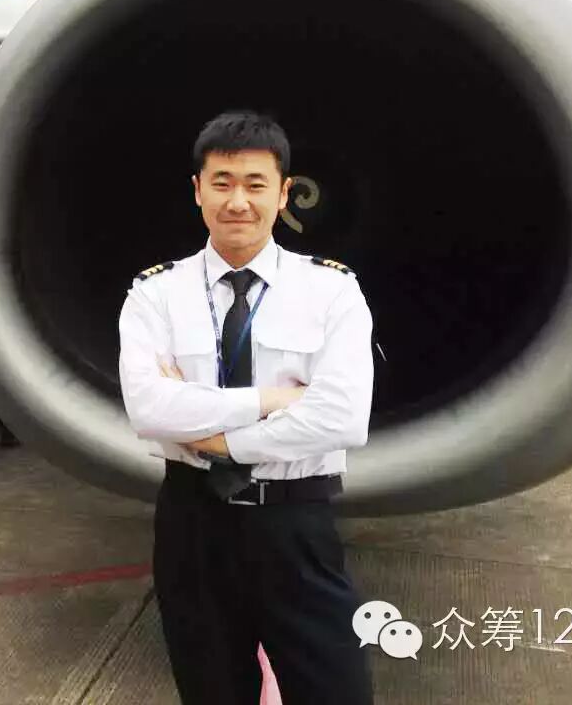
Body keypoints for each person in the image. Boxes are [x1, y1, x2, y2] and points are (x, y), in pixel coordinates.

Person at [117, 111, 374, 705]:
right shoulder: (155, 294)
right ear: (198, 191)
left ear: (283, 194)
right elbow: (149, 409)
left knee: (337, 690)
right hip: (192, 525)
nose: (238, 202)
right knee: (211, 689)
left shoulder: (331, 290)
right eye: (222, 183)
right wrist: (272, 401)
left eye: (256, 184)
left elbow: (341, 417)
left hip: (295, 522)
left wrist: (216, 439)